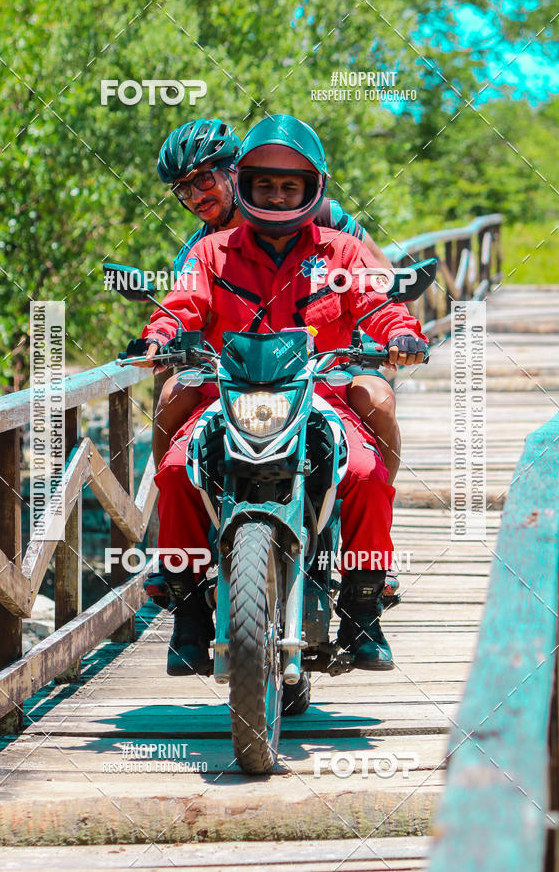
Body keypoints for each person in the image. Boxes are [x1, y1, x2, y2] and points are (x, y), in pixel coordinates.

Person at [136, 114, 428, 677]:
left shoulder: (342, 249)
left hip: (321, 393)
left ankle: (364, 611)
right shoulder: (210, 252)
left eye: (289, 186)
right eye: (263, 184)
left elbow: (380, 301)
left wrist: (400, 333)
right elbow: (180, 305)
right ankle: (189, 610)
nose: (276, 195)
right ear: (245, 184)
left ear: (310, 189)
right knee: (175, 469)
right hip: (231, 396)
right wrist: (158, 335)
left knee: (365, 473)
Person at [154, 119, 402, 486]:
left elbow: (380, 278)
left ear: (234, 173)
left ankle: (377, 498)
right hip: (238, 373)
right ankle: (176, 495)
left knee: (377, 402)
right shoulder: (197, 251)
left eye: (204, 179)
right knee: (170, 402)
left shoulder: (323, 219)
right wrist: (160, 343)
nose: (195, 197)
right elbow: (181, 309)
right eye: (183, 189)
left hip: (327, 358)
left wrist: (388, 332)